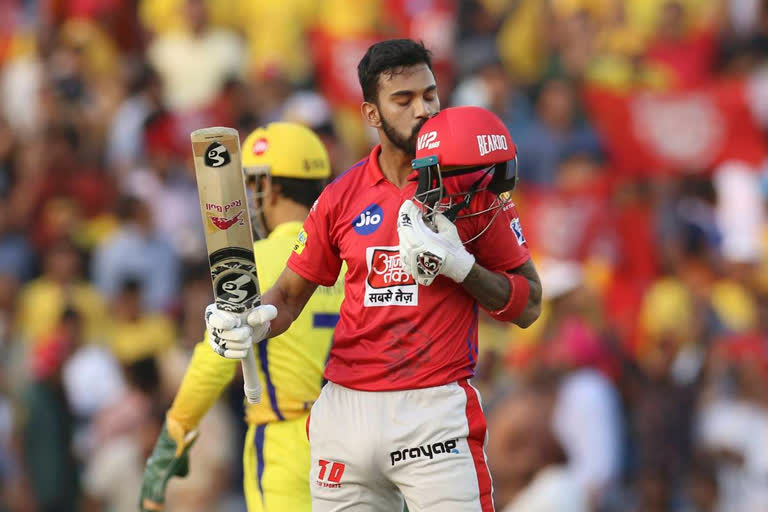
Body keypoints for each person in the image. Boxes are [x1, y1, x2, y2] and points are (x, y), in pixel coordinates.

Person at [204, 39, 542, 511]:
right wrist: (251, 320)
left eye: (429, 95)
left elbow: (529, 304)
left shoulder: (473, 183)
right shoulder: (341, 195)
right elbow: (289, 293)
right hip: (344, 412)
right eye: (403, 101)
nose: (422, 111)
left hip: (432, 411)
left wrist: (460, 266)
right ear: (371, 114)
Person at [139, 122, 344, 512]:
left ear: (273, 186)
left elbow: (215, 359)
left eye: (252, 184)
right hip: (361, 440)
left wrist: (176, 432)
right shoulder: (354, 254)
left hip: (288, 445)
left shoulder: (256, 262)